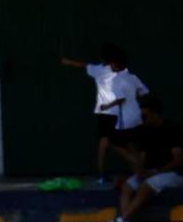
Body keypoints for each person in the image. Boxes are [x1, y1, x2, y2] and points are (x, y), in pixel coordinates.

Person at [60, 45, 147, 184]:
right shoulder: (126, 73)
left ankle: (104, 175)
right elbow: (140, 91)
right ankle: (138, 173)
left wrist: (68, 62)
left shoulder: (100, 70)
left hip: (108, 112)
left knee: (107, 143)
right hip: (122, 113)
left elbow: (84, 65)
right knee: (129, 143)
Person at [109, 95, 183, 222]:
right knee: (127, 187)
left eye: (145, 116)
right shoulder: (144, 131)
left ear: (155, 114)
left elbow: (178, 160)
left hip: (170, 174)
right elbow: (142, 159)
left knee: (145, 186)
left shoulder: (172, 129)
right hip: (150, 173)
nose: (142, 119)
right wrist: (138, 173)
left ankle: (123, 219)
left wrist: (156, 172)